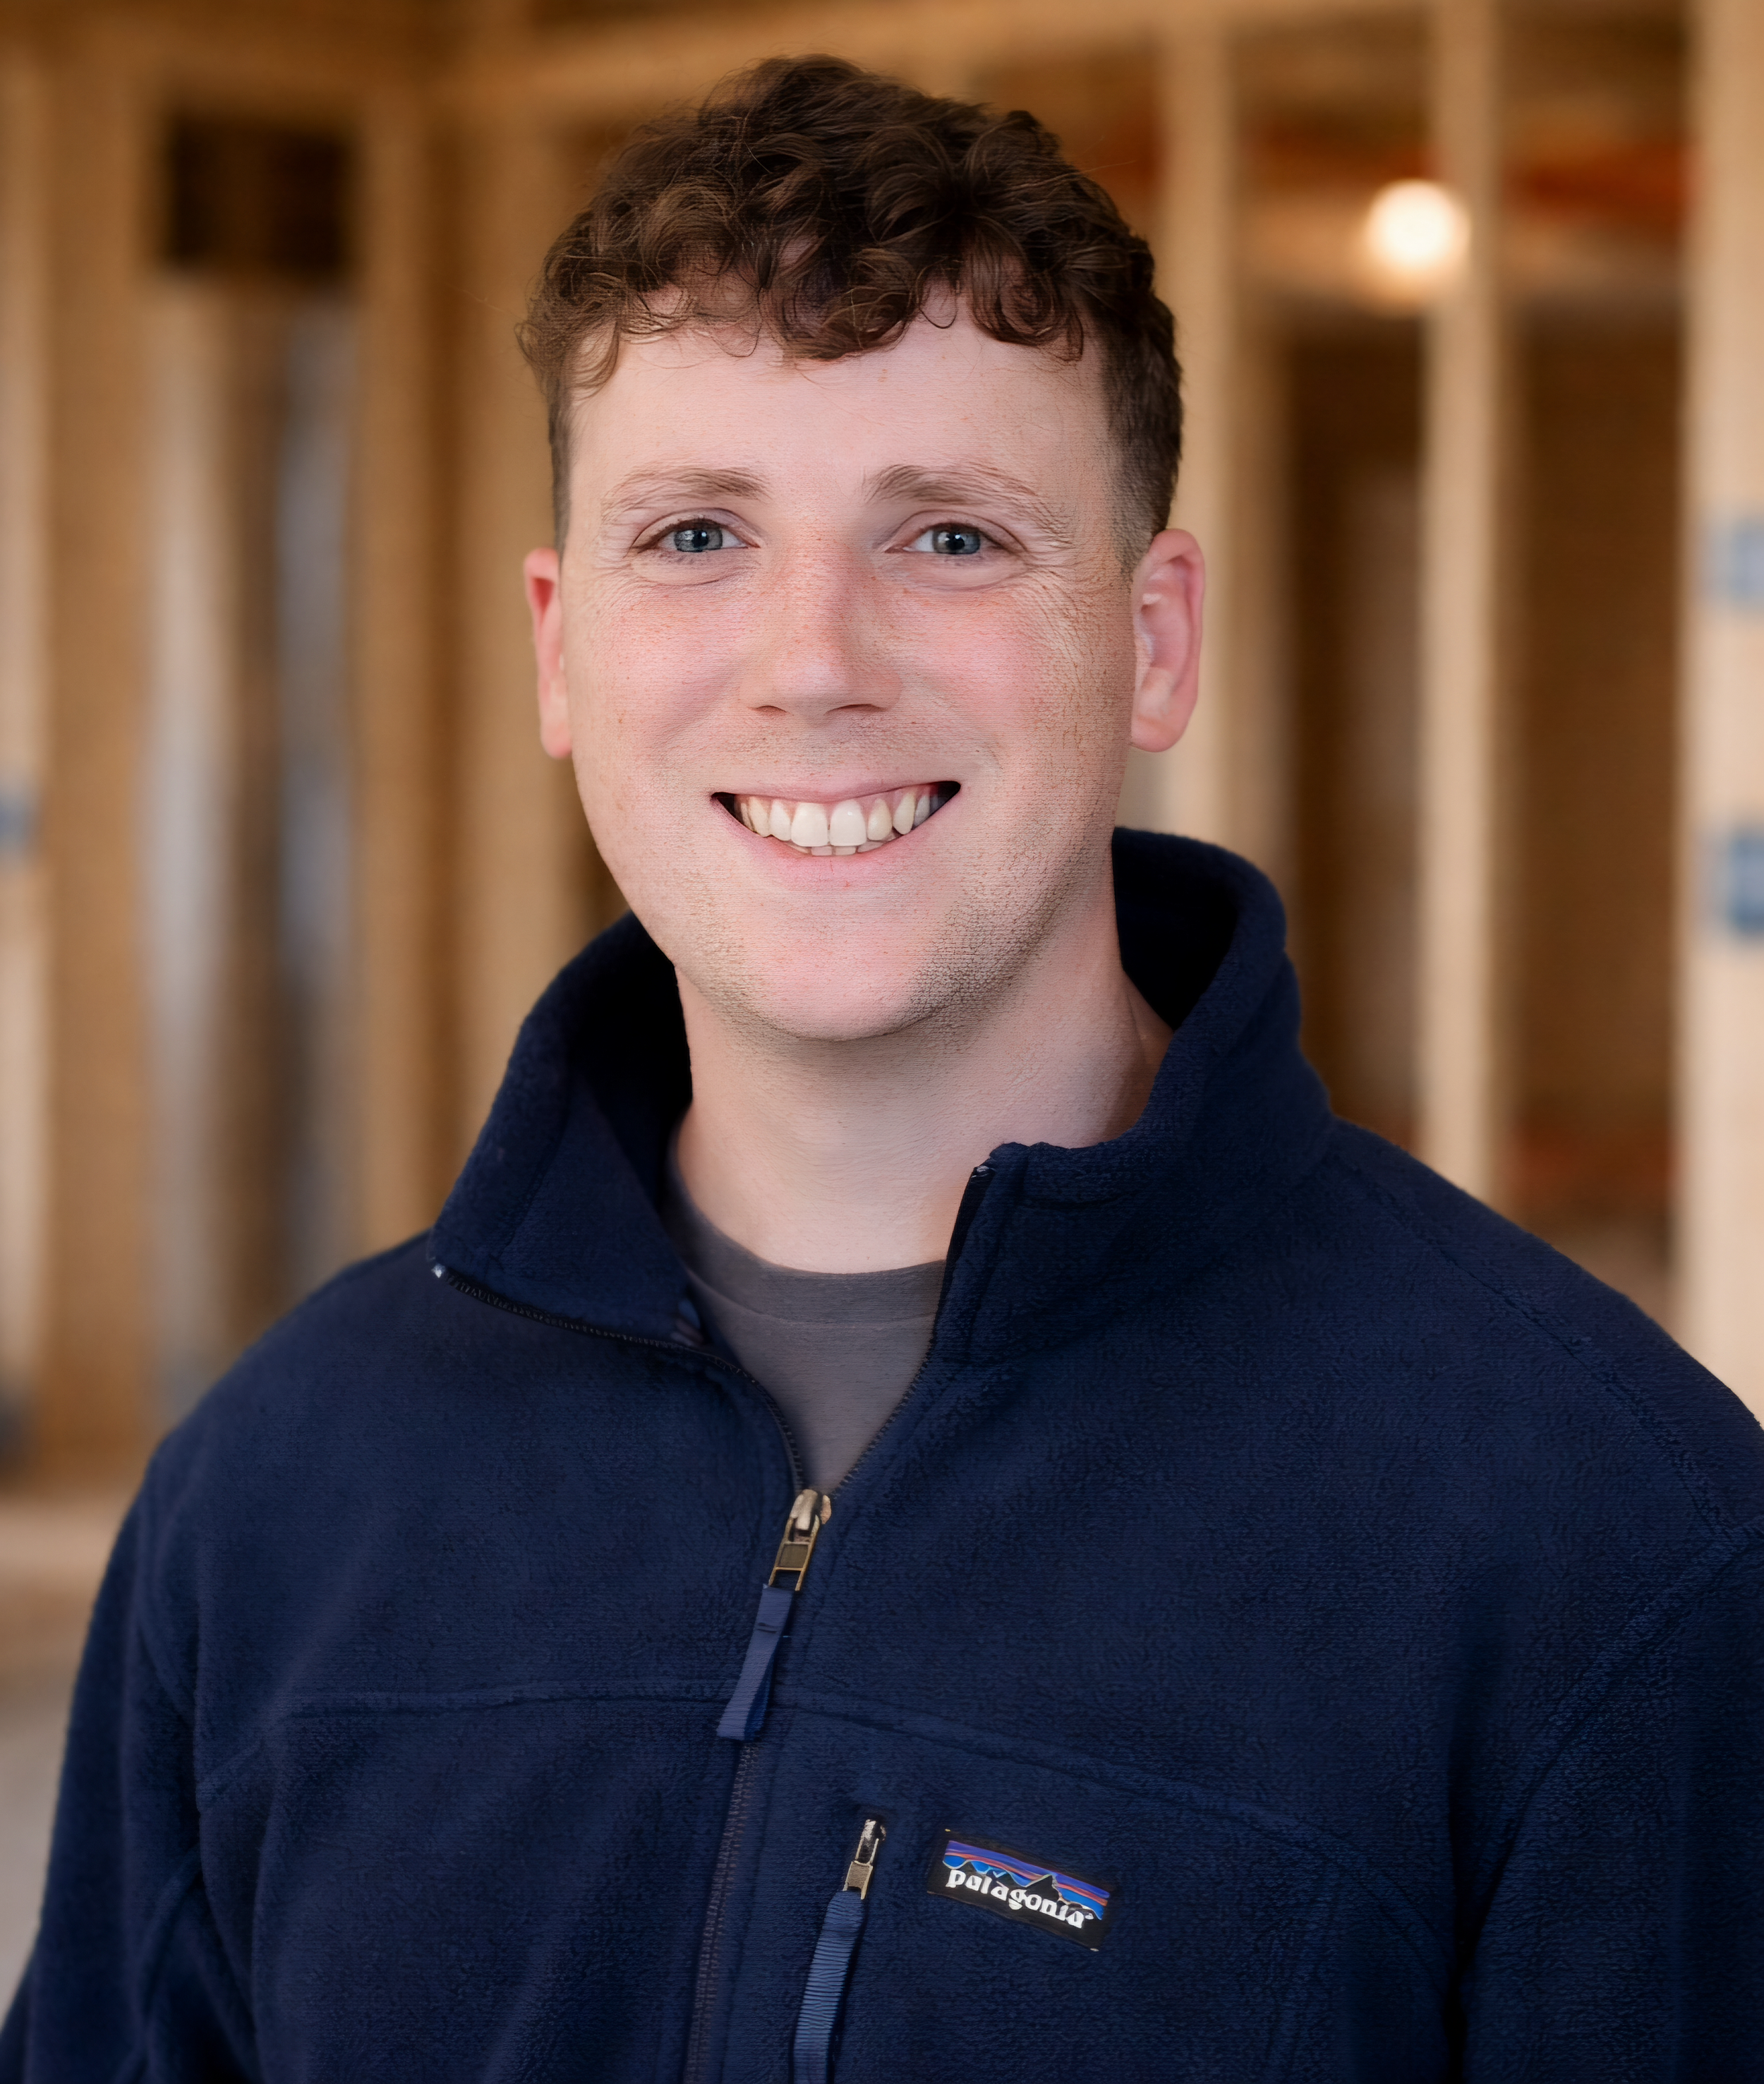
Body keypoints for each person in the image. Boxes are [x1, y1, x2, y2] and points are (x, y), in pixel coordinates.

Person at [6, 54, 1763, 2083]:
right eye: (693, 536)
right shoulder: (272, 1504)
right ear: (561, 651)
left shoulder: (1605, 1550)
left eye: (945, 536)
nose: (814, 660)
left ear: (1155, 635)